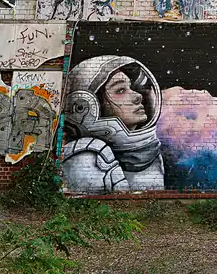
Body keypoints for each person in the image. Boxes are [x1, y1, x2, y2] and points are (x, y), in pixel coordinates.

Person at [61, 55, 164, 193]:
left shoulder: (150, 153)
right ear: (85, 107)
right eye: (121, 90)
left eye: (131, 88)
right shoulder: (89, 158)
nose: (138, 96)